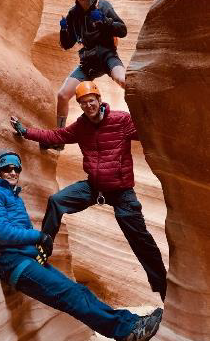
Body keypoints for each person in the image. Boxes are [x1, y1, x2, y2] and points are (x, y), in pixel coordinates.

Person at [0, 149, 163, 341]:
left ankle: (131, 325)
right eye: (6, 168)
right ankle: (127, 332)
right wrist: (39, 237)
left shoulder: (13, 197)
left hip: (27, 260)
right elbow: (1, 233)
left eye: (15, 168)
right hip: (14, 264)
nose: (12, 172)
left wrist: (36, 245)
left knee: (78, 293)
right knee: (72, 296)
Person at [10, 81, 167, 302]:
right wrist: (26, 132)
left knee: (142, 243)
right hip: (93, 187)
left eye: (91, 101)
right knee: (57, 201)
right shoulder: (81, 126)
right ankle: (43, 247)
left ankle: (165, 291)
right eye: (83, 103)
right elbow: (57, 137)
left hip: (122, 193)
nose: (88, 106)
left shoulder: (120, 120)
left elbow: (146, 133)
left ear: (99, 100)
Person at [43, 0, 127, 150]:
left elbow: (122, 30)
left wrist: (105, 21)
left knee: (123, 80)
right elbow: (67, 44)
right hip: (88, 62)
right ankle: (59, 139)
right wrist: (64, 30)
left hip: (106, 56)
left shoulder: (102, 6)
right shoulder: (73, 15)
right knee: (62, 95)